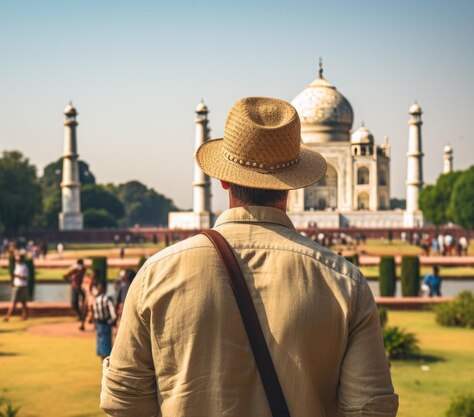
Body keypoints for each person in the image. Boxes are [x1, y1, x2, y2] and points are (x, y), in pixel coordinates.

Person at [101, 97, 397, 416]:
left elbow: (123, 399)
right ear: (297, 180)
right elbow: (370, 407)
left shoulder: (158, 273)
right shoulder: (343, 281)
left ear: (223, 178)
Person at [92, 281, 117, 361]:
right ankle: (107, 365)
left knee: (101, 346)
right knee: (107, 347)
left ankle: (102, 363)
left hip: (99, 324)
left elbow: (95, 315)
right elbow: (114, 315)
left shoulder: (96, 300)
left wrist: (95, 324)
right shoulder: (107, 299)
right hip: (106, 324)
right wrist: (110, 322)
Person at [4, 256, 29, 321]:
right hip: (17, 286)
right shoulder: (17, 266)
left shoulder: (24, 267)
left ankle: (8, 316)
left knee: (17, 302)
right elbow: (14, 276)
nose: (16, 260)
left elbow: (26, 278)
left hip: (22, 286)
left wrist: (18, 276)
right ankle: (24, 315)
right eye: (16, 259)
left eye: (18, 259)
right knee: (20, 302)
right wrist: (12, 283)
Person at [64, 259, 87, 330]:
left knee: (83, 306)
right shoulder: (74, 271)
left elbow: (83, 269)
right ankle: (80, 317)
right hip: (74, 288)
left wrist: (76, 268)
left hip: (79, 288)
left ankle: (82, 321)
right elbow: (65, 275)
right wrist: (71, 282)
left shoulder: (81, 270)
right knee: (74, 305)